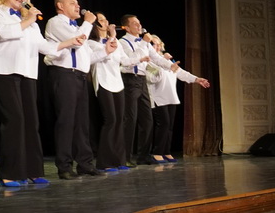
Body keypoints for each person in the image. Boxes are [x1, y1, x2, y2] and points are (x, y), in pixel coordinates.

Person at [0, 0, 83, 187]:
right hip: (4, 70)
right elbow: (2, 33)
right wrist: (28, 19)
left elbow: (43, 46)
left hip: (28, 73)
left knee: (30, 122)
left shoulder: (30, 23)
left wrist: (69, 42)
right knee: (14, 120)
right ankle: (10, 173)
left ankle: (33, 171)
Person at [45, 0, 102, 180]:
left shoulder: (77, 27)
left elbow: (86, 57)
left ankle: (85, 164)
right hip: (64, 75)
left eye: (78, 3)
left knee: (82, 123)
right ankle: (64, 166)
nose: (78, 6)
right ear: (60, 6)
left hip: (79, 76)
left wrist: (106, 52)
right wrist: (88, 22)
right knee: (66, 121)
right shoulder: (55, 23)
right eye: (73, 3)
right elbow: (77, 42)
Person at [118, 15, 176, 165]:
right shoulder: (122, 42)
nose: (139, 26)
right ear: (127, 27)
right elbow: (129, 60)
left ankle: (143, 156)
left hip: (142, 80)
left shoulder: (144, 43)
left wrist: (170, 65)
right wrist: (144, 43)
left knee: (147, 120)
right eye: (134, 23)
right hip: (130, 80)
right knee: (130, 119)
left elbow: (156, 58)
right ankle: (125, 157)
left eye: (139, 23)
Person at [145, 34, 210, 163]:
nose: (156, 46)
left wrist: (197, 79)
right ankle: (157, 152)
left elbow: (181, 73)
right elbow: (153, 78)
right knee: (163, 124)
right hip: (158, 97)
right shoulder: (148, 61)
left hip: (171, 97)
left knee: (169, 126)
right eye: (153, 44)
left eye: (158, 44)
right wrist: (164, 63)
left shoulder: (168, 61)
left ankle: (166, 151)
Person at [87, 13, 129, 172]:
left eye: (106, 19)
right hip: (103, 82)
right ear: (96, 25)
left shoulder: (115, 41)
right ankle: (105, 162)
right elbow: (102, 56)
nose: (106, 22)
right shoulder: (91, 43)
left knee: (119, 120)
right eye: (102, 20)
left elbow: (124, 60)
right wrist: (112, 36)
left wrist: (141, 58)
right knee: (110, 119)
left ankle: (119, 160)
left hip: (117, 82)